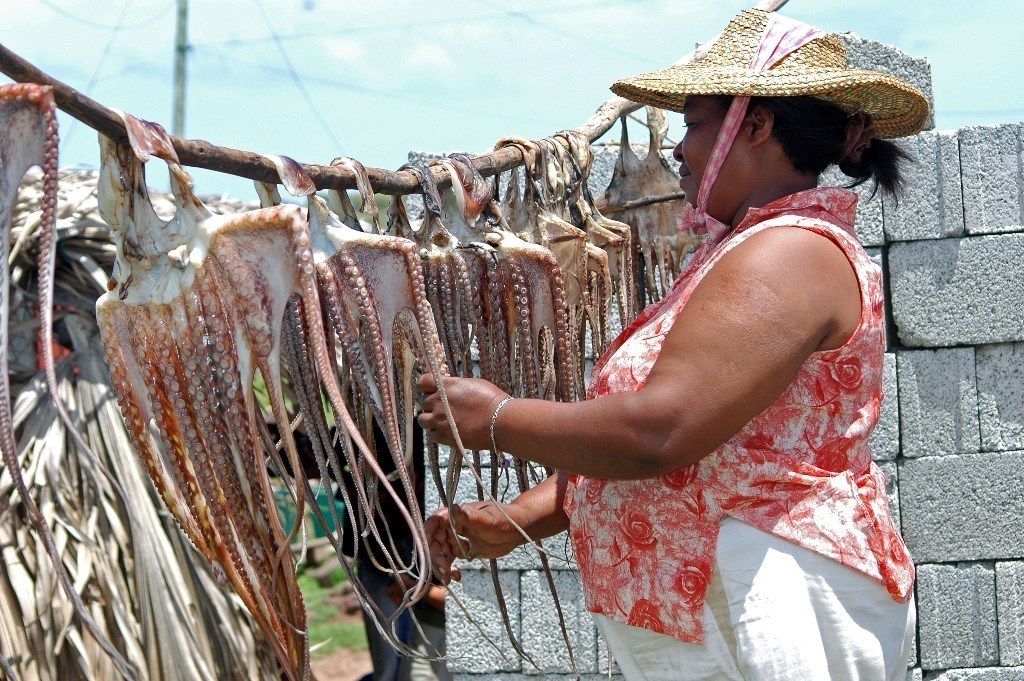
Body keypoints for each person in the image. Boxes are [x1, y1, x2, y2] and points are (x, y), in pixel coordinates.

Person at [416, 8, 928, 681]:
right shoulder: (741, 249)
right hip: (720, 607)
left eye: (692, 125)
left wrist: (501, 419)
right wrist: (518, 516)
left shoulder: (789, 253)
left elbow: (662, 429)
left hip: (769, 604)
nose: (678, 150)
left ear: (755, 124)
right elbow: (703, 451)